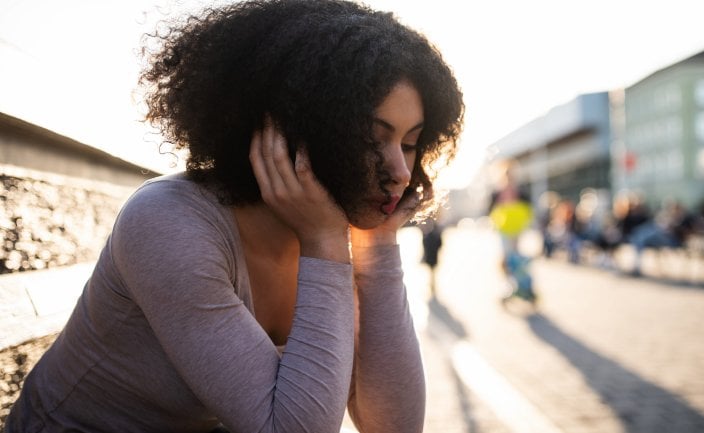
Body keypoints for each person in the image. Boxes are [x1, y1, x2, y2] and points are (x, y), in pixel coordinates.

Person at [4, 1, 464, 432]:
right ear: (290, 132)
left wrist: (379, 247)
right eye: (371, 139)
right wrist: (325, 241)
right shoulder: (170, 221)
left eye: (408, 143)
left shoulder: (332, 233)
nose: (401, 172)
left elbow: (395, 425)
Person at [489, 180, 536, 304]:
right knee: (507, 260)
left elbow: (527, 212)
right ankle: (511, 284)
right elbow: (493, 213)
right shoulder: (497, 194)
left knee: (515, 259)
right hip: (504, 231)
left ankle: (521, 285)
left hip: (516, 231)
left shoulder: (520, 193)